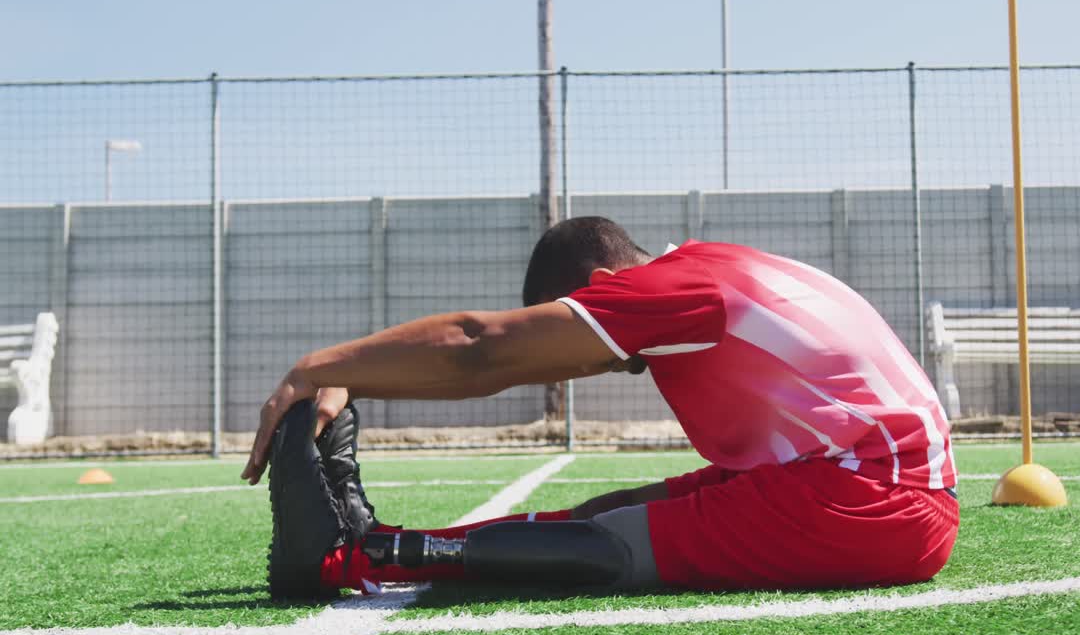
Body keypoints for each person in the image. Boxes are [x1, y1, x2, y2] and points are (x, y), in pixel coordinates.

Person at [242, 217, 958, 600]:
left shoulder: (662, 289)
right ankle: (386, 546)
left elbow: (480, 349)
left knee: (605, 553)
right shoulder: (716, 264)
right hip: (869, 481)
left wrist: (323, 368)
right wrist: (359, 379)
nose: (601, 357)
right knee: (607, 513)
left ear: (601, 283)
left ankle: (350, 560)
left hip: (868, 499)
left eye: (575, 312)